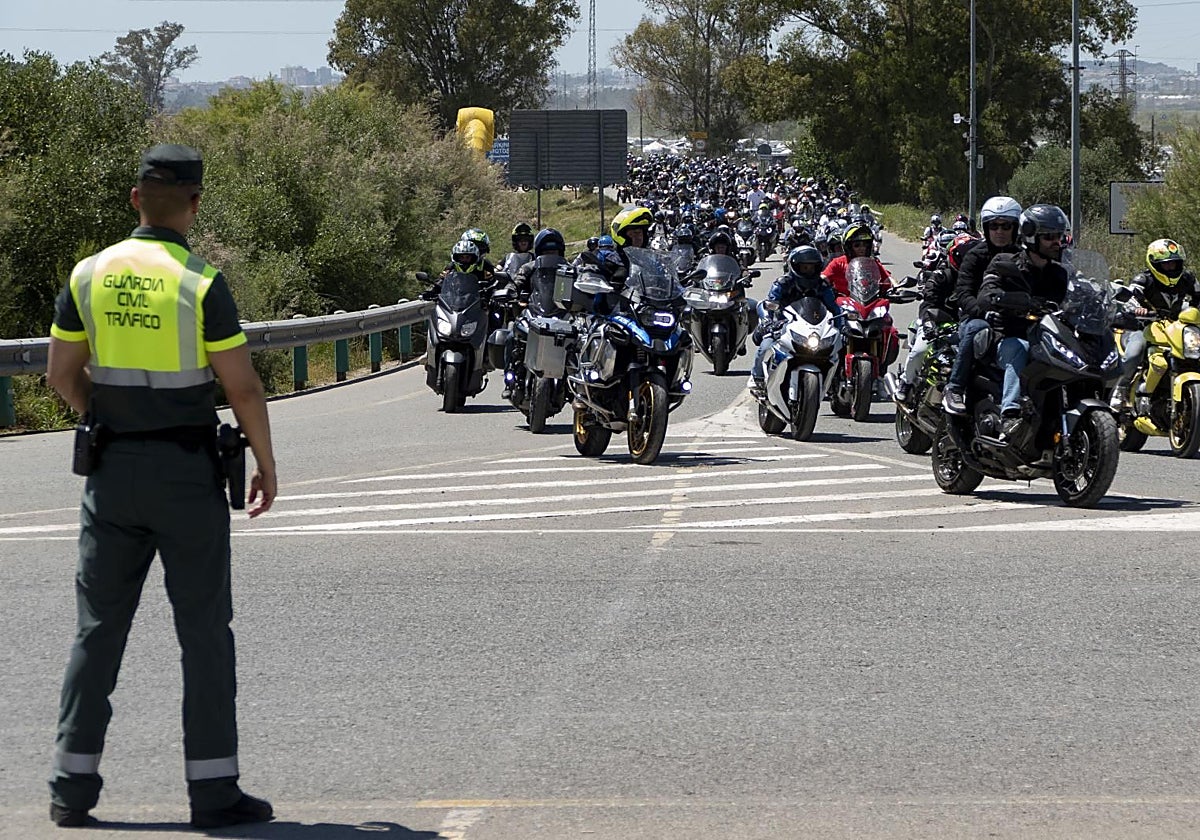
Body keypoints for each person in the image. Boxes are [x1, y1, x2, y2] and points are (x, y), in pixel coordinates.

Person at [44, 144, 277, 829]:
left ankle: (69, 790)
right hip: (185, 475)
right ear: (196, 205)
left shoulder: (88, 275)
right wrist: (266, 460)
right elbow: (242, 385)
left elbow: (61, 375)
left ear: (135, 198)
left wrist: (107, 419)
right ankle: (212, 792)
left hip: (113, 473)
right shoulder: (201, 284)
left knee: (97, 632)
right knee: (204, 633)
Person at [976, 204, 1071, 434]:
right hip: (1007, 334)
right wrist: (1006, 299)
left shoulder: (1060, 273)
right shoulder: (1005, 264)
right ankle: (1010, 414)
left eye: (1059, 237)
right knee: (1020, 348)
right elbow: (986, 294)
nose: (1056, 242)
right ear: (1030, 237)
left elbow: (1076, 296)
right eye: (1049, 237)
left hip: (1047, 339)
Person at [941, 195, 1022, 414]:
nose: (1000, 231)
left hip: (1014, 319)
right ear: (986, 228)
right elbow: (963, 292)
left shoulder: (1022, 257)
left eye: (1006, 225)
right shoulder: (975, 255)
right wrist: (983, 312)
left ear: (1016, 227)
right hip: (977, 317)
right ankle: (955, 387)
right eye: (994, 225)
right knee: (978, 329)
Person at [1110, 238, 1200, 407]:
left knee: (1195, 350)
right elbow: (1131, 295)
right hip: (1144, 326)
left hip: (1176, 327)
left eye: (1174, 264)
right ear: (1154, 264)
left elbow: (1198, 295)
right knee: (1135, 352)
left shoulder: (1187, 278)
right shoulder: (1144, 279)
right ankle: (1121, 388)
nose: (1170, 268)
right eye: (1166, 265)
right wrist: (1137, 308)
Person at [895, 232, 975, 402]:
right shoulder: (940, 276)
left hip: (965, 326)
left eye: (971, 255)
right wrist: (929, 322)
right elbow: (928, 303)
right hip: (938, 323)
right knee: (919, 351)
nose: (967, 259)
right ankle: (906, 383)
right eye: (962, 255)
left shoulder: (978, 278)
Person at [750, 245, 842, 391]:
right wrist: (768, 321)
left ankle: (838, 382)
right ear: (794, 267)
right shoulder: (782, 283)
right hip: (783, 326)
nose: (808, 271)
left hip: (814, 328)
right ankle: (758, 378)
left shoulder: (822, 286)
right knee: (766, 345)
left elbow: (834, 308)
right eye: (804, 268)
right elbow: (768, 304)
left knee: (838, 348)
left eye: (811, 268)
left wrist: (840, 326)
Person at [821, 223, 891, 297]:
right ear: (848, 246)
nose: (862, 248)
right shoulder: (837, 263)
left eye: (865, 244)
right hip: (843, 305)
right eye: (857, 245)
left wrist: (897, 288)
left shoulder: (873, 262)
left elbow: (888, 279)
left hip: (869, 302)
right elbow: (824, 277)